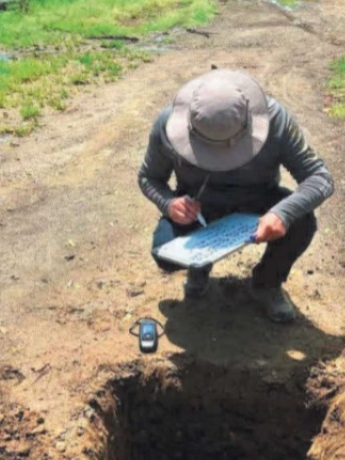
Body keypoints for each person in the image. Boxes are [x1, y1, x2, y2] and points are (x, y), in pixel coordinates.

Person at [138, 68, 334, 323]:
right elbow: (148, 177)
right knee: (163, 253)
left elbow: (320, 178)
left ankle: (267, 283)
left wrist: (282, 213)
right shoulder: (166, 125)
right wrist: (169, 203)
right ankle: (199, 265)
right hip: (199, 209)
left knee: (302, 222)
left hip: (258, 200)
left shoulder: (276, 120)